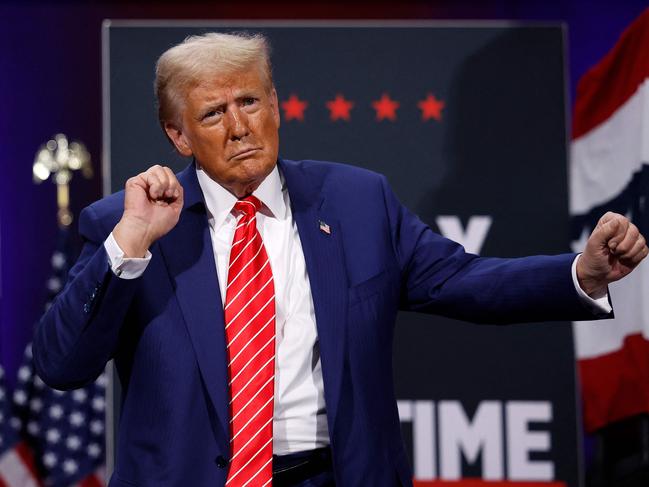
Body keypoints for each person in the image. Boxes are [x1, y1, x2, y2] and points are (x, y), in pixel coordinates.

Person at [33, 32, 647, 487]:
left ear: (276, 103)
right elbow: (61, 364)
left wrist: (583, 274)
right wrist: (129, 242)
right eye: (213, 114)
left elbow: (464, 279)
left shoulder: (356, 201)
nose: (240, 126)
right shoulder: (132, 221)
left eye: (249, 101)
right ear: (178, 135)